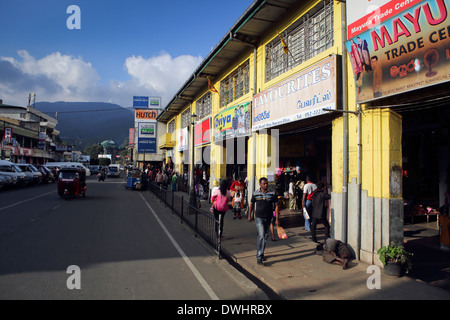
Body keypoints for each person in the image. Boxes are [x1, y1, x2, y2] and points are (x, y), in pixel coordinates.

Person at [248, 177, 279, 265]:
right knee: (261, 235)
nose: (266, 185)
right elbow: (251, 204)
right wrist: (249, 215)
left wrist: (277, 219)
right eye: (264, 183)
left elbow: (276, 206)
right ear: (260, 184)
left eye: (266, 183)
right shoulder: (255, 193)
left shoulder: (272, 193)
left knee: (265, 236)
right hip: (259, 217)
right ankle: (259, 256)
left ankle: (261, 252)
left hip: (268, 217)